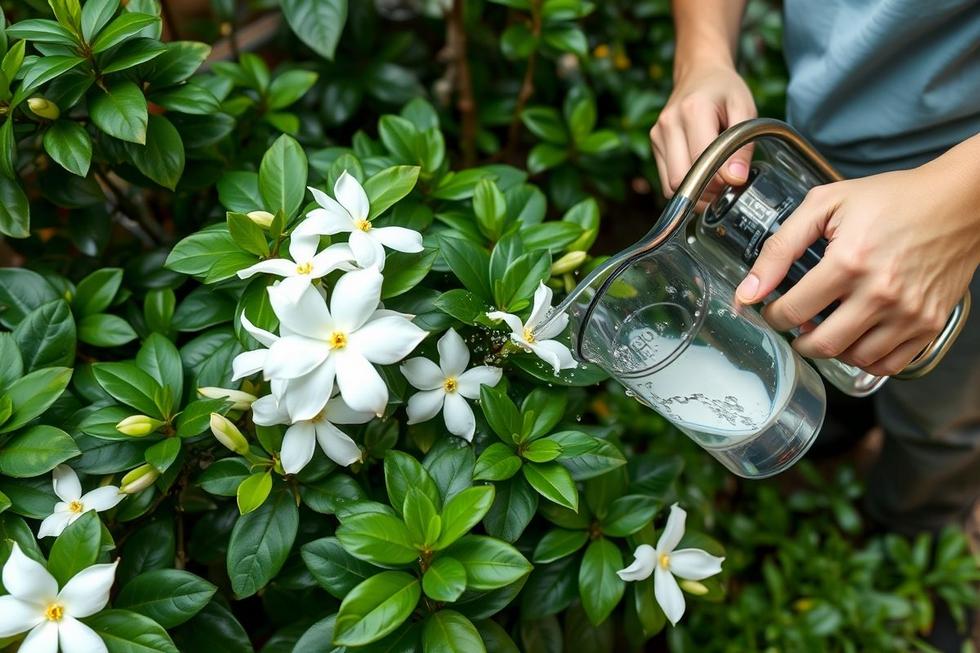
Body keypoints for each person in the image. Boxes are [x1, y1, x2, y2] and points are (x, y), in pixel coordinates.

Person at [651, 0, 980, 646]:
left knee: (942, 422)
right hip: (815, 150)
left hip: (959, 203)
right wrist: (702, 52)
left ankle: (917, 538)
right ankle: (841, 433)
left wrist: (964, 207)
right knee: (818, 347)